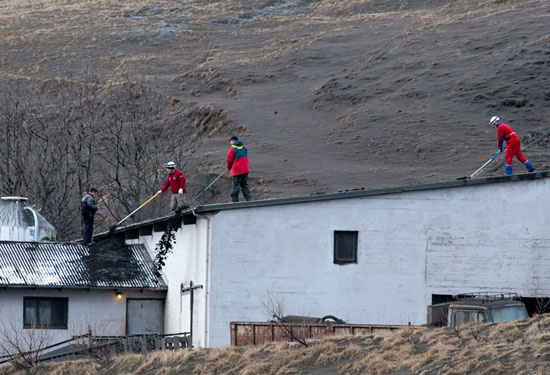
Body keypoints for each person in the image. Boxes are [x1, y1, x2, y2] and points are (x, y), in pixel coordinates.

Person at [227, 136, 252, 202]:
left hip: (237, 171)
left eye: (230, 141)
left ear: (232, 141)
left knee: (235, 186)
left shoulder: (233, 148)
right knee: (244, 185)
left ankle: (235, 202)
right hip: (245, 170)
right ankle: (249, 200)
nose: (230, 143)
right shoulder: (244, 147)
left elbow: (229, 160)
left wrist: (228, 167)